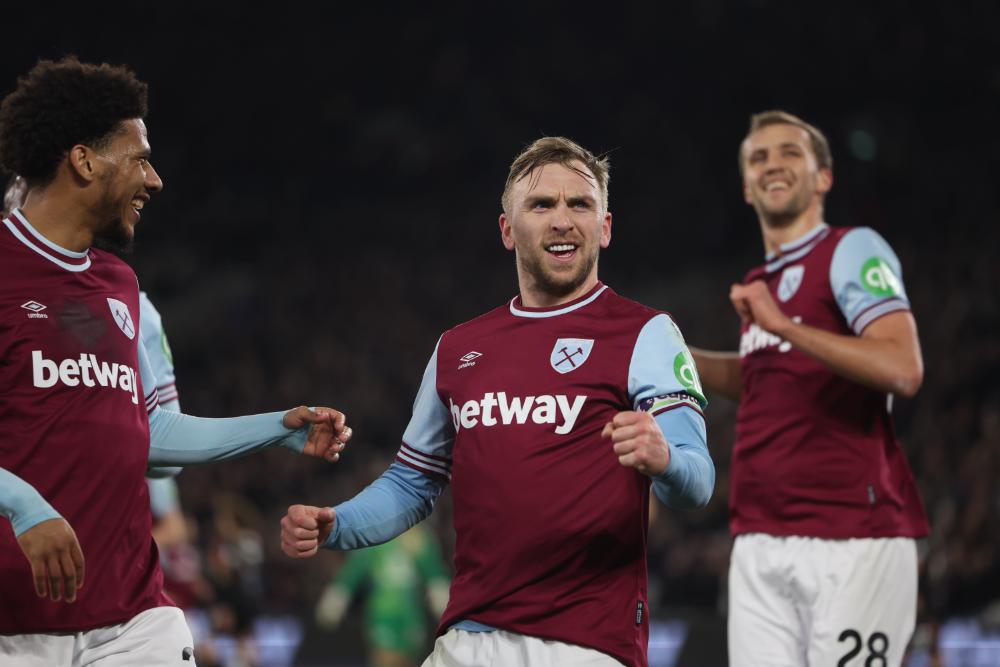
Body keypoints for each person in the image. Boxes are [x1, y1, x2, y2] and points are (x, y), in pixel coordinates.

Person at [282, 136, 715, 667]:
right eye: (541, 204)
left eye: (579, 203)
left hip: (587, 645)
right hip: (468, 640)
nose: (562, 220)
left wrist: (665, 459)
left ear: (605, 227)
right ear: (508, 230)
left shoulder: (647, 334)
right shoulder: (458, 348)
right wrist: (338, 522)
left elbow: (698, 482)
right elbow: (412, 482)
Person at [0, 56, 351, 666]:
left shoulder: (121, 288)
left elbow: (152, 434)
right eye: (140, 158)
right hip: (14, 622)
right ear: (84, 162)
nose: (155, 180)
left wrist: (273, 430)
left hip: (133, 619)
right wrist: (23, 503)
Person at [689, 110, 928, 667]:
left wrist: (785, 327)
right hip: (758, 537)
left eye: (790, 152)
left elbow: (903, 366)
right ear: (747, 188)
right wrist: (675, 357)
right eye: (758, 157)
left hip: (852, 537)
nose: (772, 163)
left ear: (823, 177)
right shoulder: (761, 284)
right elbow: (768, 382)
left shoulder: (852, 249)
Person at [315, 522, 451, 667]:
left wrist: (444, 601)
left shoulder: (419, 538)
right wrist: (337, 597)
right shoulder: (374, 538)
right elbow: (353, 571)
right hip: (382, 613)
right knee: (385, 659)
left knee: (408, 660)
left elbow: (434, 571)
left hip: (411, 615)